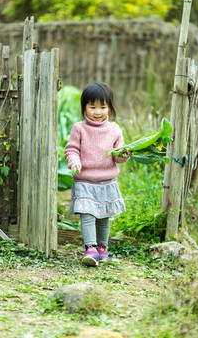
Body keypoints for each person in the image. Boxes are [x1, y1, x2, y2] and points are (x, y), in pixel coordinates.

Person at [64, 82, 130, 267]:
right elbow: (71, 150)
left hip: (106, 181)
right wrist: (75, 163)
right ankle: (90, 248)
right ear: (85, 106)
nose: (98, 111)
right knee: (87, 213)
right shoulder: (79, 128)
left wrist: (123, 156)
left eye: (103, 107)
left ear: (109, 107)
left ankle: (103, 248)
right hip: (85, 180)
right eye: (93, 107)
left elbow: (118, 156)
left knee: (103, 216)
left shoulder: (115, 129)